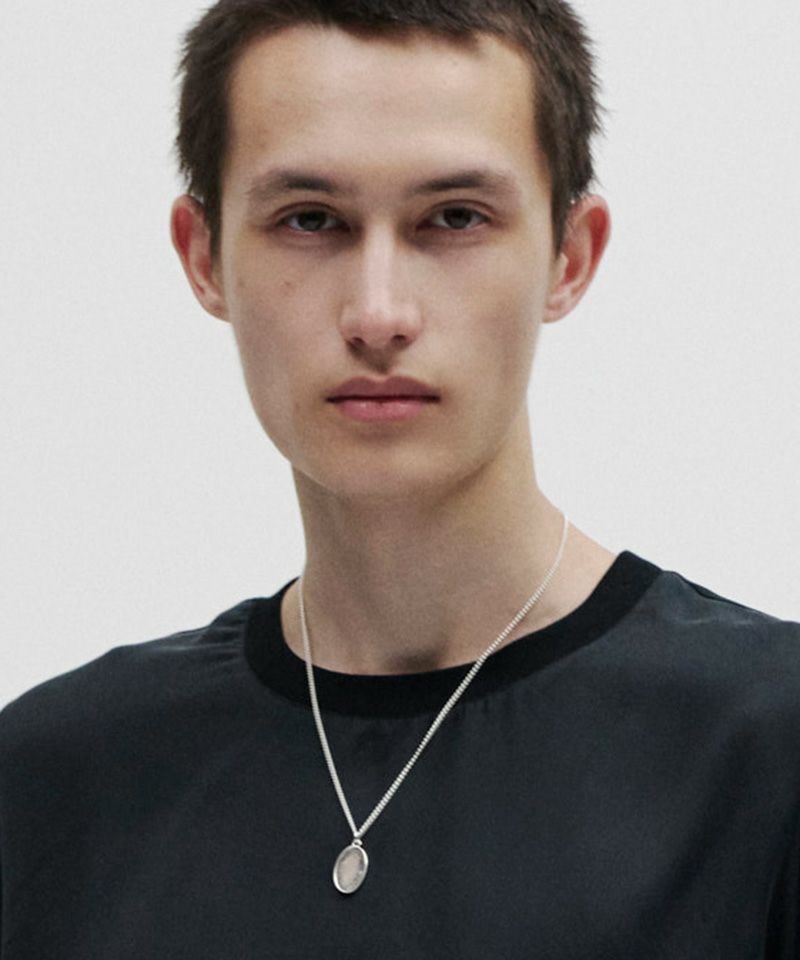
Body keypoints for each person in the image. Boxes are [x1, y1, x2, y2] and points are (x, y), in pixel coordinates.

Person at [1, 1, 798, 956]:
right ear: (203, 257)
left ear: (570, 256)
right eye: (310, 220)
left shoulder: (766, 750)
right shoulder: (55, 781)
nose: (378, 314)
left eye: (454, 218)